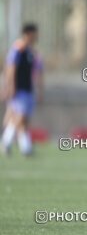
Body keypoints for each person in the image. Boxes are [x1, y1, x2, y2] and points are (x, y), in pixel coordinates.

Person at [1, 23, 43, 156]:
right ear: (28, 34)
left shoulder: (31, 52)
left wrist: (38, 89)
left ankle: (23, 147)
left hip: (28, 89)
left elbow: (36, 72)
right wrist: (10, 87)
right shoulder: (18, 49)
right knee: (19, 117)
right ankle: (9, 142)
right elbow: (10, 68)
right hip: (19, 89)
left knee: (23, 119)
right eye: (34, 34)